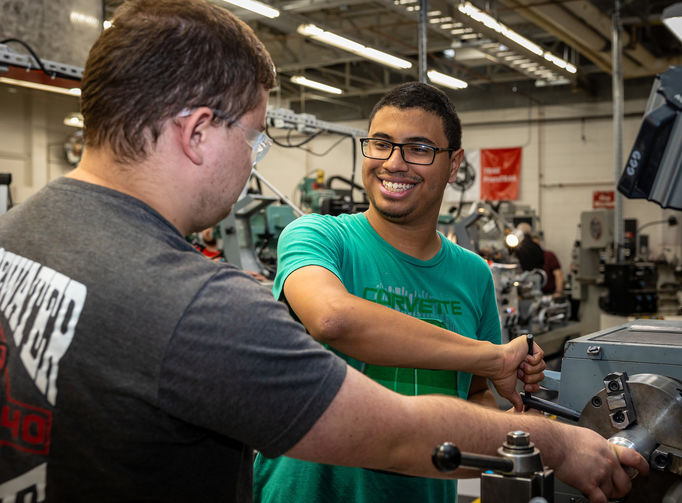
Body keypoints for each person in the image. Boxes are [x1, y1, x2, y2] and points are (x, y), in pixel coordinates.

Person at [0, 1, 647, 501]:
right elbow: (392, 428)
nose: (253, 163)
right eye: (254, 140)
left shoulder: (19, 235)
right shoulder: (194, 307)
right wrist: (557, 440)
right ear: (198, 133)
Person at [254, 83, 543, 503]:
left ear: (454, 164)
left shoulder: (473, 274)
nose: (394, 163)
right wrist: (495, 356)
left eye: (419, 149)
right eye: (380, 144)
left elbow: (477, 393)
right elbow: (332, 318)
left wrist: (487, 428)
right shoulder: (318, 236)